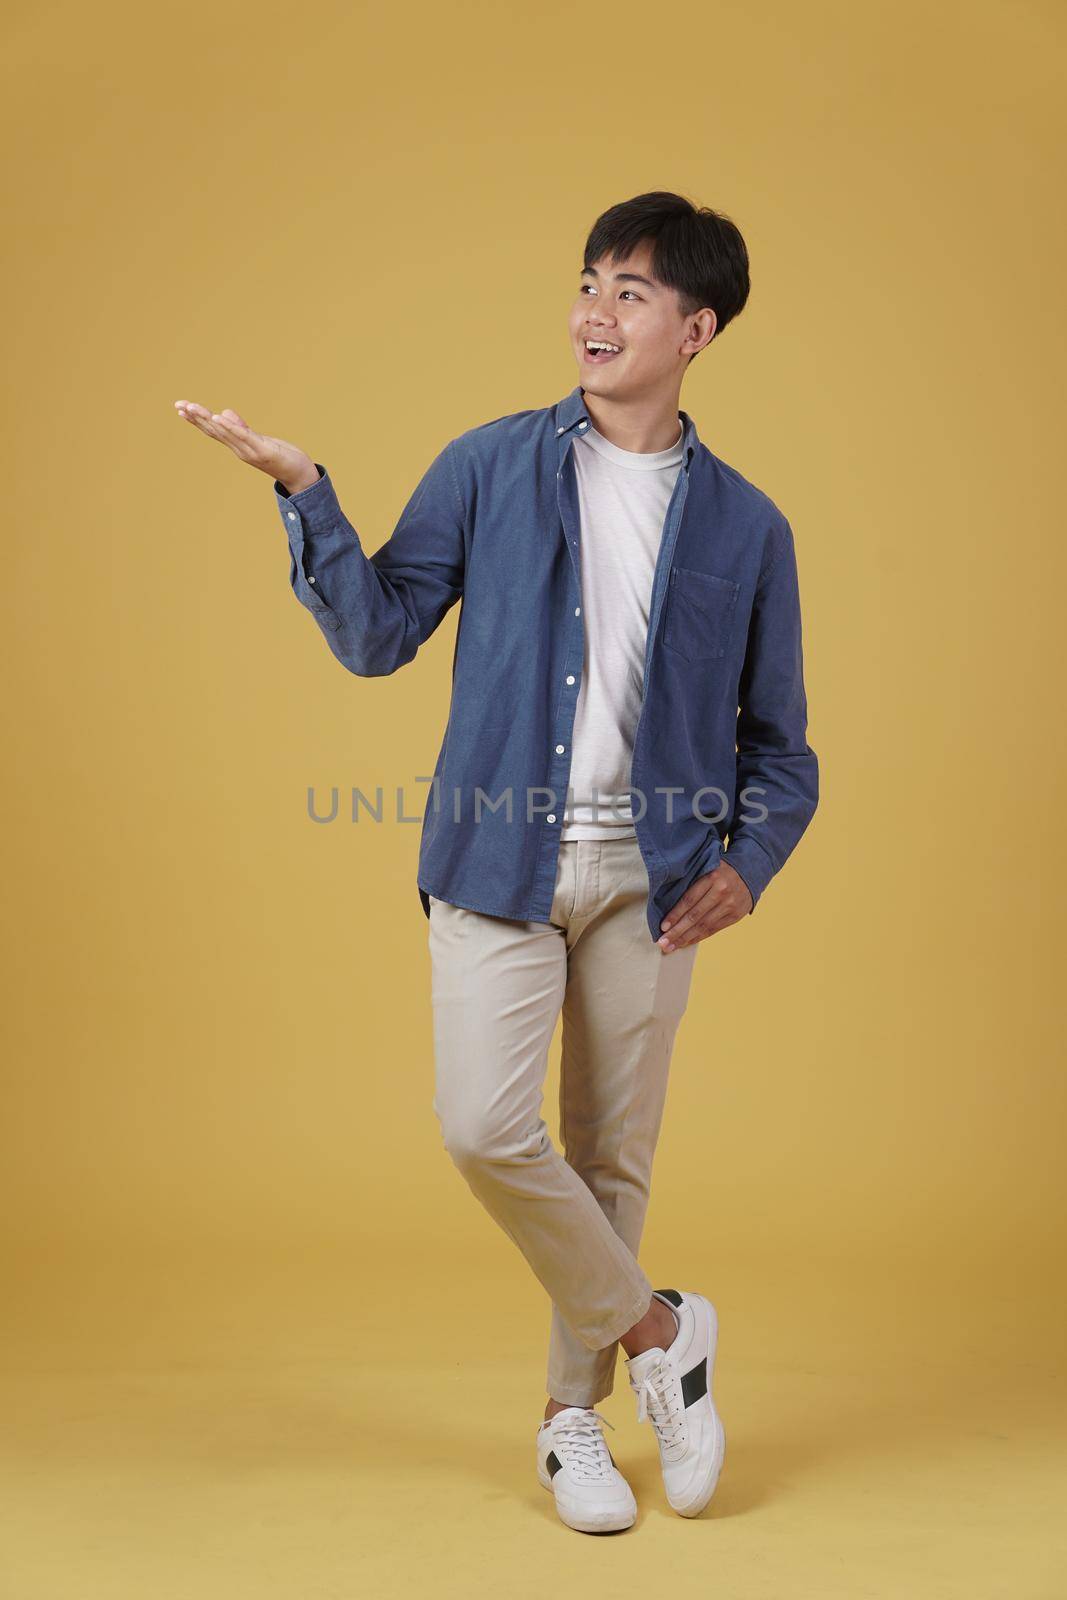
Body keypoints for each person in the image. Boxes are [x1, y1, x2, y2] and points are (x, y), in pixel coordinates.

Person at [174, 189, 819, 1535]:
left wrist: (747, 863)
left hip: (655, 880)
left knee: (611, 1161)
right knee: (483, 1126)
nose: (595, 308)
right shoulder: (490, 466)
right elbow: (378, 634)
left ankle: (566, 1422)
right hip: (494, 860)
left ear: (697, 329)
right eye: (589, 281)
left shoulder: (751, 531)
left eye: (631, 291)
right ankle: (664, 1336)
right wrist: (305, 493)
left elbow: (783, 750)